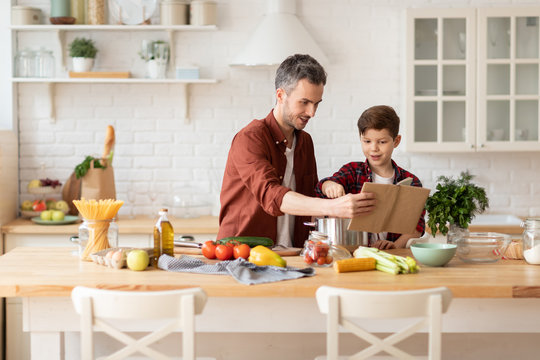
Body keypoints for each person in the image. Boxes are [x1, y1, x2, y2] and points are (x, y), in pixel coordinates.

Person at [218, 54, 376, 248]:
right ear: (280, 95)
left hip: (293, 254)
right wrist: (333, 206)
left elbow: (309, 198)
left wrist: (329, 191)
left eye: (316, 103)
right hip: (242, 254)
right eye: (304, 102)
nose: (312, 112)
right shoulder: (250, 138)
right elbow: (271, 195)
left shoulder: (305, 142)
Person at [315, 105, 425, 250]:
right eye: (367, 141)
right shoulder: (353, 171)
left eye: (382, 142)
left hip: (393, 255)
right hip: (355, 253)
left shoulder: (412, 181)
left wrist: (395, 245)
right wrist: (329, 186)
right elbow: (323, 186)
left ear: (396, 141)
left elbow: (417, 225)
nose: (374, 148)